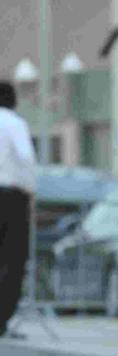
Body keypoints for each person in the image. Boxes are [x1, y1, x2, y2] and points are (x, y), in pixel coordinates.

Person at [0, 81, 37, 339]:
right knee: (13, 258)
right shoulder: (14, 123)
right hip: (11, 197)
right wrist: (30, 189)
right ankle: (2, 318)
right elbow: (26, 157)